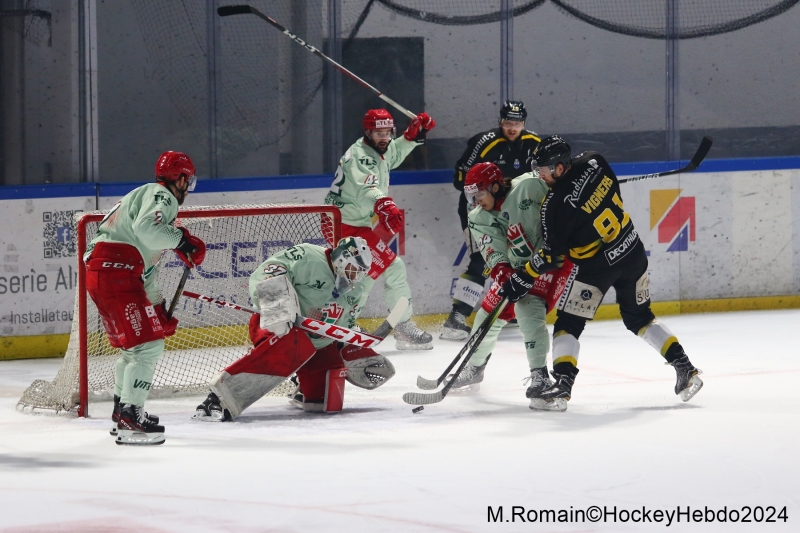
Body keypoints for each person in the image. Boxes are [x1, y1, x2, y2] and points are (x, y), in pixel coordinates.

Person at [500, 135, 704, 411]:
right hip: (632, 250)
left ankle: (561, 387)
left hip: (597, 268)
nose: (540, 175)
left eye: (544, 169)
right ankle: (686, 368)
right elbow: (610, 192)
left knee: (568, 324)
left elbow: (551, 257)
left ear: (560, 167)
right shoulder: (595, 160)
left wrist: (523, 275)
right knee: (641, 318)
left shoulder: (554, 207)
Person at [193, 237, 397, 421]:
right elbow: (268, 270)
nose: (357, 278)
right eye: (355, 270)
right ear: (342, 259)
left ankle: (301, 383)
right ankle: (219, 399)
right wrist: (278, 303)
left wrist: (344, 345)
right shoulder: (308, 256)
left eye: (362, 273)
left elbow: (345, 324)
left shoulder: (356, 288)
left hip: (316, 342)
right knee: (292, 342)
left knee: (325, 400)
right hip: (276, 325)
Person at [85, 151, 206, 445]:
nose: (188, 187)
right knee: (148, 346)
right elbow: (146, 231)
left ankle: (123, 411)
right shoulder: (161, 196)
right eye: (187, 180)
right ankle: (130, 418)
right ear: (179, 178)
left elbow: (147, 268)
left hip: (108, 271)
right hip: (116, 271)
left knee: (132, 348)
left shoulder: (147, 200)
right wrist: (182, 240)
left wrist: (157, 307)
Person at [444, 162, 575, 410]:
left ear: (495, 186)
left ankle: (541, 378)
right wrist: (502, 271)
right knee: (488, 314)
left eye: (479, 194)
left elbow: (559, 191)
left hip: (552, 261)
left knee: (528, 307)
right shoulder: (477, 217)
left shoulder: (528, 187)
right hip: (518, 267)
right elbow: (491, 249)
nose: (475, 201)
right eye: (471, 195)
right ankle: (474, 368)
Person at [324, 108, 436, 350]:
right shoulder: (359, 156)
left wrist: (410, 136)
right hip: (342, 224)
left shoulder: (376, 150)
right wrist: (382, 202)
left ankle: (347, 325)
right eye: (378, 132)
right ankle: (397, 326)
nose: (384, 137)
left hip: (349, 221)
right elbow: (367, 188)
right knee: (383, 268)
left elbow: (393, 154)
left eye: (388, 132)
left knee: (365, 271)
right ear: (367, 132)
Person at [441, 101, 542, 340]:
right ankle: (457, 317)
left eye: (517, 123)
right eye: (508, 123)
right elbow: (460, 179)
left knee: (520, 254)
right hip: (479, 209)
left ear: (524, 123)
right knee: (481, 259)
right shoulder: (484, 142)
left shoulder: (535, 144)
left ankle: (513, 309)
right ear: (500, 122)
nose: (512, 128)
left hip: (512, 211)